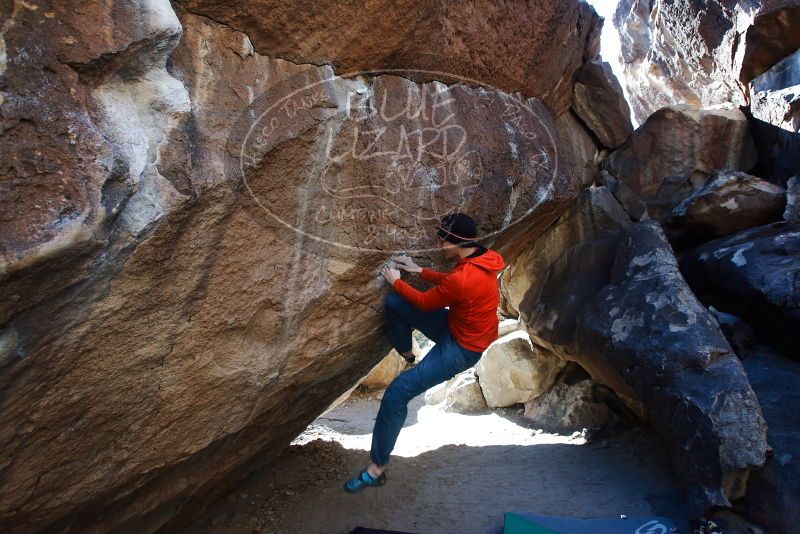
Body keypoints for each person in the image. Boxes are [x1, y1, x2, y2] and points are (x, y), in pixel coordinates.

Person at [343, 212, 505, 492]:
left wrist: (396, 279)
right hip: (455, 328)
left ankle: (377, 468)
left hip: (461, 349)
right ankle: (407, 352)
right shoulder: (481, 257)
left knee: (397, 392)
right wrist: (418, 270)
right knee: (395, 304)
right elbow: (453, 281)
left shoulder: (465, 276)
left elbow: (426, 301)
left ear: (457, 242)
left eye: (443, 241)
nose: (439, 245)